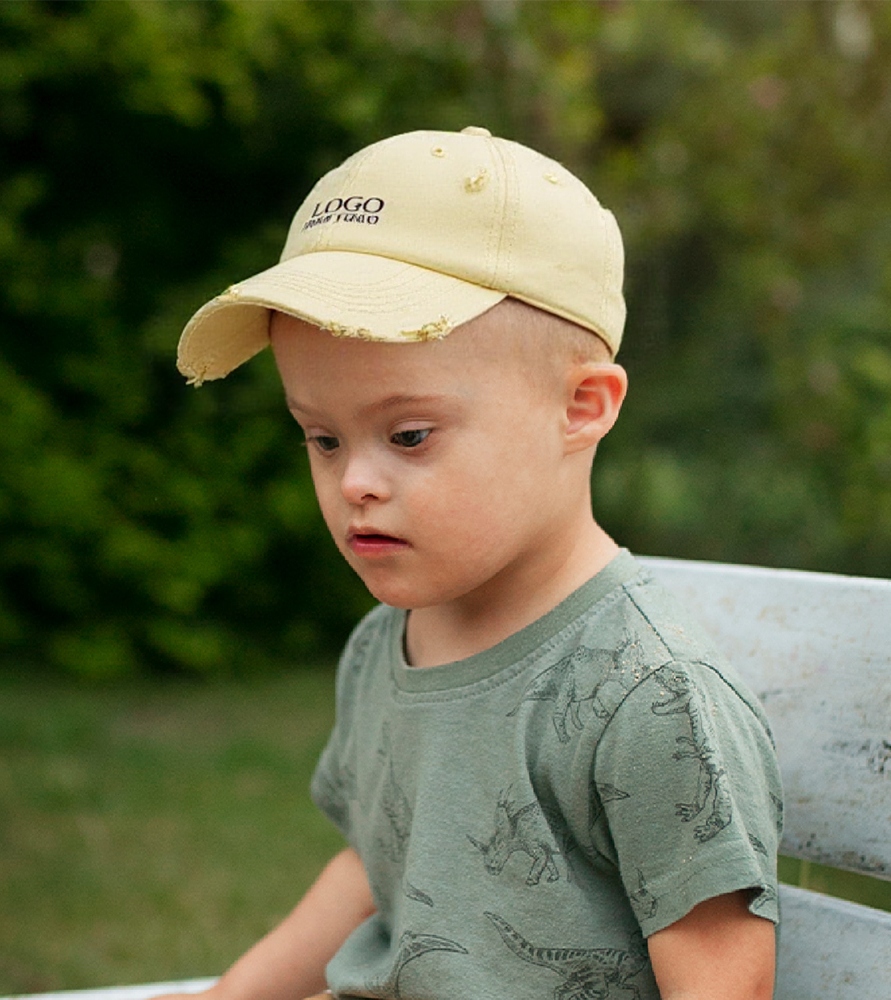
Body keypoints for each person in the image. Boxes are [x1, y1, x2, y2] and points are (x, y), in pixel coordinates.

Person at [168, 127, 782, 1000]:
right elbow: (373, 868)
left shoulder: (649, 696)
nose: (355, 482)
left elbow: (723, 983)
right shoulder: (385, 643)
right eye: (323, 438)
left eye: (409, 435)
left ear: (582, 406)